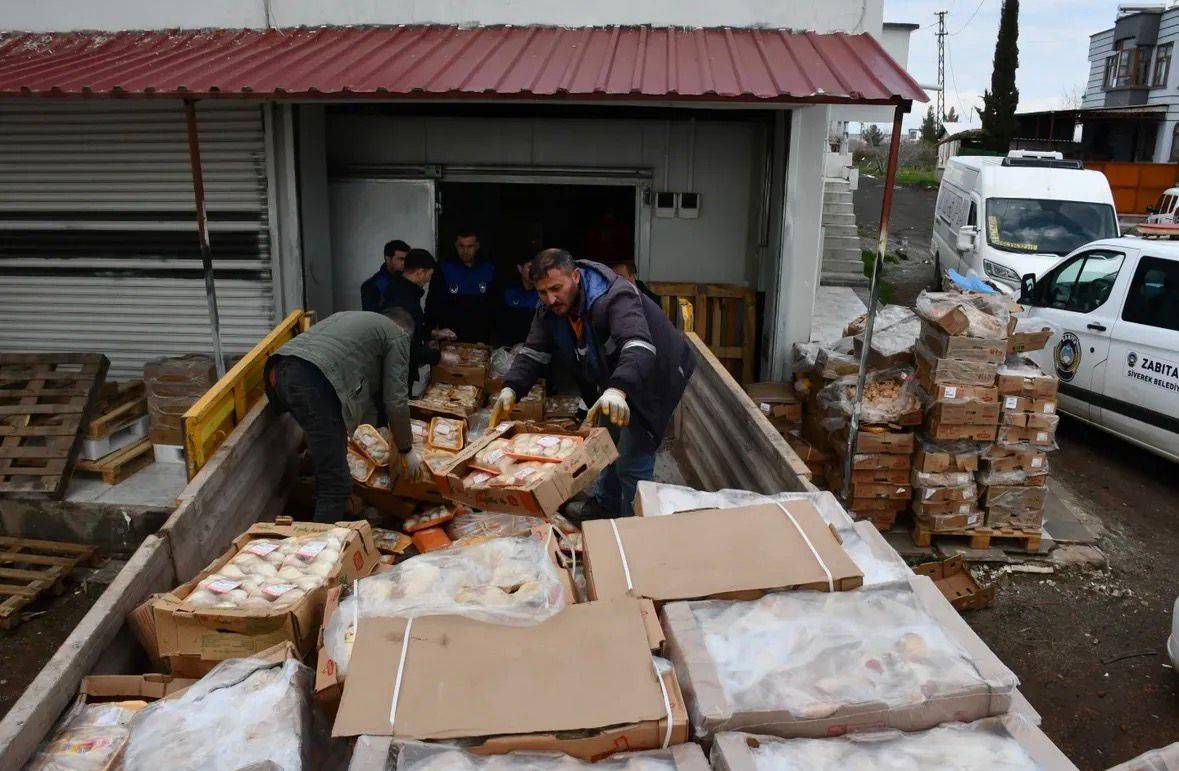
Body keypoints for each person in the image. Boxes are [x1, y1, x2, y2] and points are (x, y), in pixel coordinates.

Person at [490, 249, 695, 518]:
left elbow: (638, 345)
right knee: (605, 440)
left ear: (575, 276)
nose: (550, 299)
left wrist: (618, 389)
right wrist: (512, 387)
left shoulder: (614, 296)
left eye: (556, 288)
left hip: (655, 372)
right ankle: (604, 506)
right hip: (615, 376)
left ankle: (631, 528)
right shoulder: (550, 307)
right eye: (542, 292)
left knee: (633, 456)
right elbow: (534, 351)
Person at [265, 309, 421, 523]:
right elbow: (396, 401)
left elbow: (364, 386)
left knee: (327, 458)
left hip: (279, 370)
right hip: (313, 381)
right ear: (406, 333)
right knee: (337, 483)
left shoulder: (356, 319)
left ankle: (314, 505)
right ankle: (319, 550)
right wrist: (405, 448)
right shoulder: (398, 336)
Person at [380, 248, 458, 387]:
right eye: (429, 275)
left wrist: (432, 333)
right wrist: (441, 357)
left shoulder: (403, 290)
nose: (428, 281)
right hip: (396, 372)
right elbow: (403, 345)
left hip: (401, 368)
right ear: (420, 272)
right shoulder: (402, 300)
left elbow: (409, 328)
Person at [429, 228, 496, 344]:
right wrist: (430, 332)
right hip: (451, 337)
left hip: (481, 337)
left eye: (470, 246)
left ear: (477, 246)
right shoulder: (444, 268)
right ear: (456, 245)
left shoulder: (488, 268)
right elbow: (433, 303)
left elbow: (495, 303)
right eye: (461, 246)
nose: (465, 251)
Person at [494, 252, 541, 347]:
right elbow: (500, 323)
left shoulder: (543, 293)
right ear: (520, 269)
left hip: (535, 350)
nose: (534, 272)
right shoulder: (508, 292)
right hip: (510, 349)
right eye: (530, 267)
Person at [360, 239, 411, 312]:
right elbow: (371, 318)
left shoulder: (408, 280)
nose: (404, 263)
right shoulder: (372, 285)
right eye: (401, 259)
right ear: (388, 259)